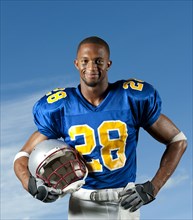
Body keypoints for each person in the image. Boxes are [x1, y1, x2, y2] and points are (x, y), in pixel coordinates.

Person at [13, 36, 187, 220]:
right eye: (85, 61)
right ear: (76, 63)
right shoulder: (61, 107)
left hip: (124, 201)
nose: (91, 67)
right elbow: (22, 156)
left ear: (108, 64)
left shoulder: (131, 98)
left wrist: (154, 187)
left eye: (98, 61)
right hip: (81, 202)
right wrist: (30, 184)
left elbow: (178, 140)